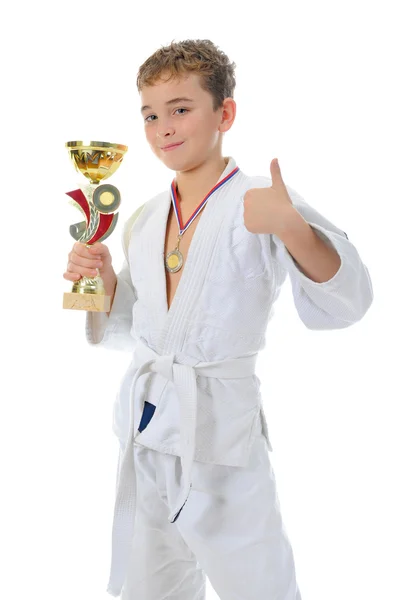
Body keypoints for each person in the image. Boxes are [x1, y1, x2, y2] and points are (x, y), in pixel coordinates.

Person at [64, 39, 374, 600]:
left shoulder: (260, 199)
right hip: (147, 432)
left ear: (224, 113)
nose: (164, 128)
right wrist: (102, 280)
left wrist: (293, 229)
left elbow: (348, 301)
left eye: (181, 109)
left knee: (259, 586)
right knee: (149, 588)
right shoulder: (146, 215)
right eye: (151, 115)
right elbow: (133, 327)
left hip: (221, 434)